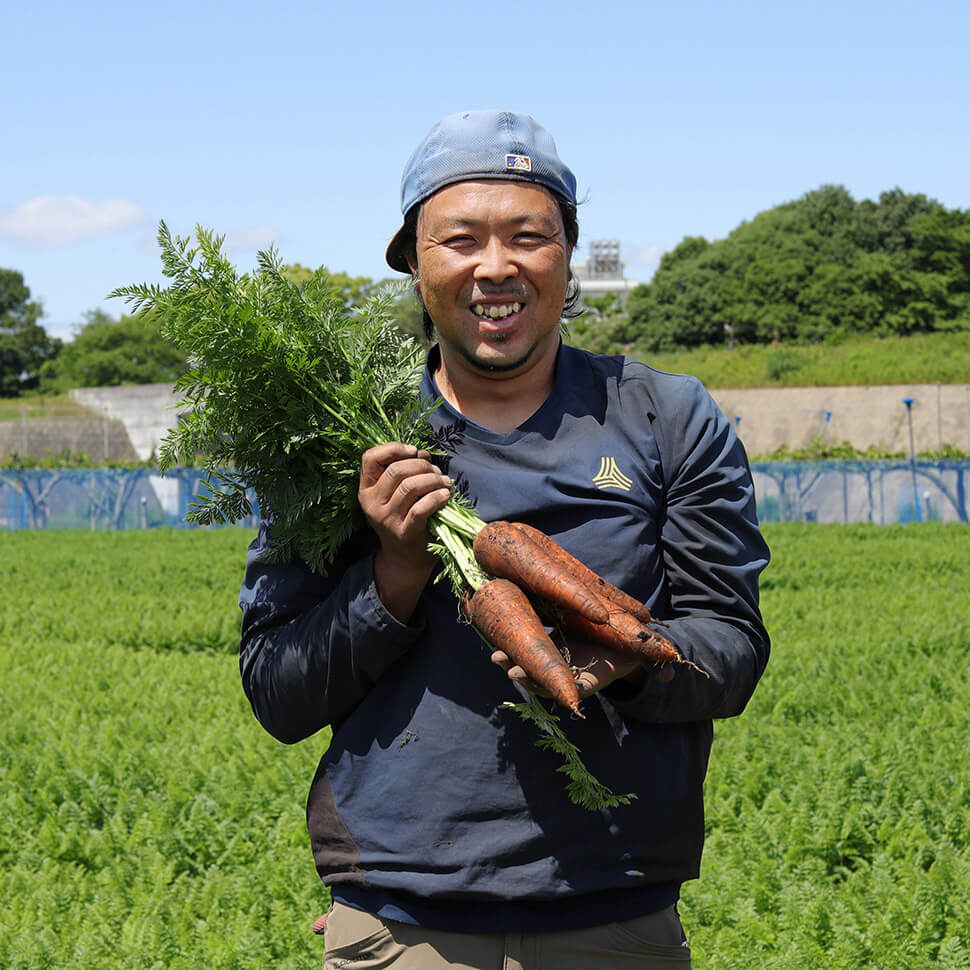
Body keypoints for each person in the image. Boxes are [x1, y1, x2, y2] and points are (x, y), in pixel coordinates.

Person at [238, 109, 771, 969]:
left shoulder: (664, 417)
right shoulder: (340, 442)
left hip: (616, 916)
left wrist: (624, 658)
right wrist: (395, 572)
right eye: (460, 241)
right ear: (415, 262)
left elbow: (733, 646)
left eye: (530, 236)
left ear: (567, 255)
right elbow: (277, 694)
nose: (497, 266)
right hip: (402, 923)